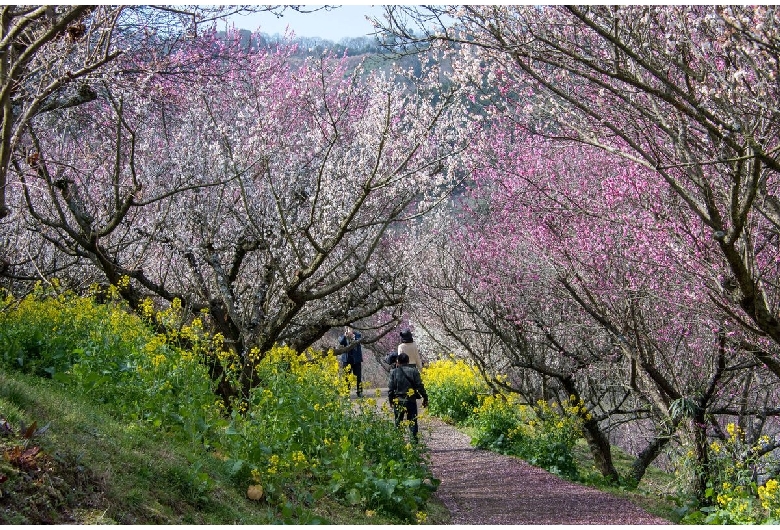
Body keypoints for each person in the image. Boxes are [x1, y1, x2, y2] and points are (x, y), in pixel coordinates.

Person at [387, 352, 428, 441]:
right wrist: (425, 397)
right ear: (408, 361)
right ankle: (414, 443)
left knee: (398, 422)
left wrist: (390, 400)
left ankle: (398, 442)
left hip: (398, 401)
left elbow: (390, 389)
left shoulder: (393, 372)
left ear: (398, 361)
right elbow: (420, 386)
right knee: (413, 422)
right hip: (411, 401)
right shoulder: (414, 371)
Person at [338, 326, 363, 397]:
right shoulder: (342, 336)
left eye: (350, 329)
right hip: (346, 360)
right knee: (346, 377)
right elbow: (341, 342)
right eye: (348, 329)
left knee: (358, 377)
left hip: (356, 360)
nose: (349, 330)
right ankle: (346, 392)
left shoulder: (358, 335)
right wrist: (345, 336)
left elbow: (358, 341)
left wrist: (352, 336)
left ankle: (359, 391)